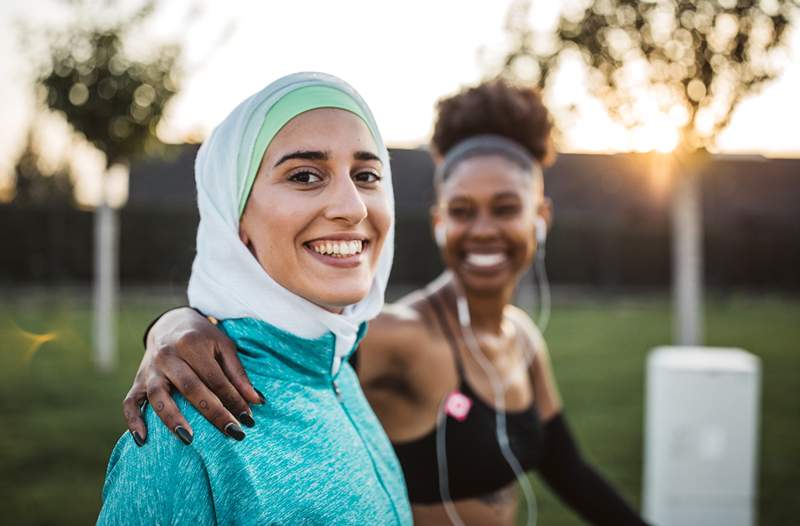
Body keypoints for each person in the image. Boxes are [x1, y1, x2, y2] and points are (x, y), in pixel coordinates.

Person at [125, 80, 647, 525]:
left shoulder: (524, 342)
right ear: (439, 220)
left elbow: (568, 468)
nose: (484, 230)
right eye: (463, 210)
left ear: (542, 218)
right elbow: (284, 354)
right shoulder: (397, 336)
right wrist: (173, 325)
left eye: (507, 208)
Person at [98, 72, 412, 525]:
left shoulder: (336, 373)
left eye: (367, 175)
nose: (353, 207)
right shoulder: (182, 436)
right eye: (305, 175)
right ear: (235, 219)